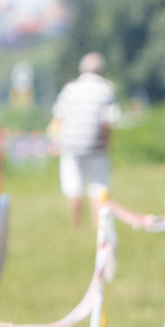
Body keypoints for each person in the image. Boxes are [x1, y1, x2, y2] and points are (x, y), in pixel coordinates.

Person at [51, 52, 119, 228]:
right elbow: (107, 122)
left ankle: (77, 228)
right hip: (95, 145)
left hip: (71, 145)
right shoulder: (107, 89)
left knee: (74, 189)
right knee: (98, 189)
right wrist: (106, 145)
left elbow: (60, 118)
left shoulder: (69, 89)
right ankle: (100, 229)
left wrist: (59, 142)